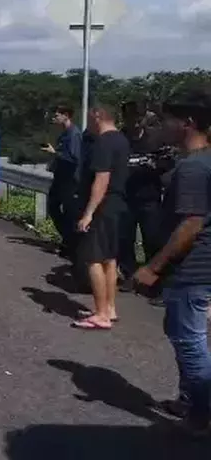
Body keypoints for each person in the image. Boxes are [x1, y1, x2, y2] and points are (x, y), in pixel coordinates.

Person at [134, 86, 211, 435]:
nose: (162, 125)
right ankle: (188, 399)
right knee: (180, 331)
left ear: (188, 123)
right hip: (196, 268)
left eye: (169, 119)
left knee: (189, 340)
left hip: (192, 269)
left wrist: (153, 267)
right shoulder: (201, 161)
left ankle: (202, 414)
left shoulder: (193, 168)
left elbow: (191, 223)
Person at [72, 105, 130, 330]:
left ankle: (101, 313)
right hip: (118, 204)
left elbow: (101, 180)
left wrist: (88, 213)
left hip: (103, 206)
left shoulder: (104, 143)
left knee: (93, 258)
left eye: (89, 118)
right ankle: (109, 308)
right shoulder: (122, 140)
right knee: (110, 258)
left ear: (97, 116)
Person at [118, 100, 166, 298]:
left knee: (153, 239)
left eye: (139, 118)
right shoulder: (120, 140)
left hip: (150, 197)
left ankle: (154, 281)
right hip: (126, 198)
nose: (136, 123)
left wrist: (154, 166)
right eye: (132, 118)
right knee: (125, 240)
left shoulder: (155, 139)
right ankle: (130, 276)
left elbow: (168, 164)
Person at [42, 105, 82, 259]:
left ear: (66, 115)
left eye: (57, 115)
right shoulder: (65, 134)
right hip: (60, 177)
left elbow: (74, 158)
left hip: (70, 180)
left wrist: (55, 153)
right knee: (53, 207)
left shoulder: (74, 134)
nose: (55, 117)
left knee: (68, 213)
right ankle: (68, 240)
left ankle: (71, 244)